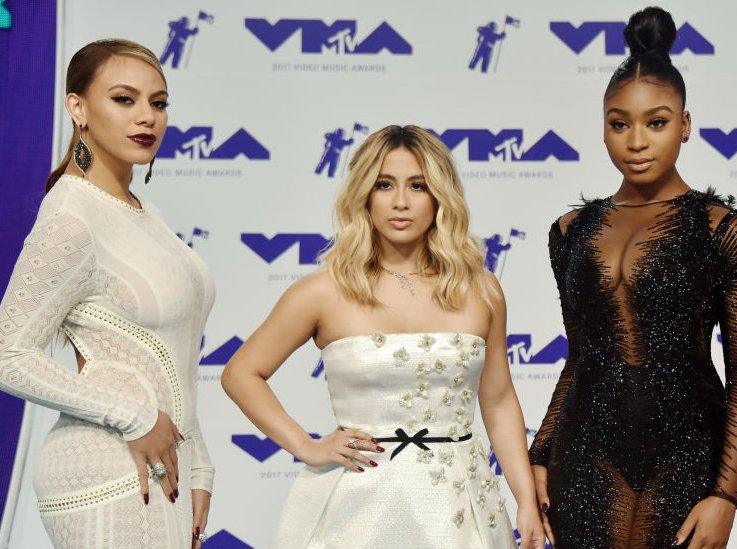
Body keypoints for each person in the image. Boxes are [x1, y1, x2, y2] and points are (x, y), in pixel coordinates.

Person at [221, 125, 546, 548]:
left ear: (440, 197)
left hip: (458, 509)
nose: (400, 202)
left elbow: (499, 400)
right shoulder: (323, 291)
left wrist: (524, 497)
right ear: (363, 195)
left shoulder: (480, 289)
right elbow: (241, 373)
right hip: (356, 507)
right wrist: (306, 445)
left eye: (418, 186)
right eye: (384, 185)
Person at [528, 6, 737, 548]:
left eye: (656, 122)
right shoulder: (570, 231)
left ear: (685, 126)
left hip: (688, 457)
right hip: (586, 455)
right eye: (619, 123)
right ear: (604, 126)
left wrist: (727, 497)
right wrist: (540, 455)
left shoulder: (724, 231)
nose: (636, 141)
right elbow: (579, 359)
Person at [0, 39, 214, 547]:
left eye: (158, 103)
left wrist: (198, 460)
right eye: (124, 99)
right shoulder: (72, 216)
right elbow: (7, 353)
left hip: (164, 467)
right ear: (78, 108)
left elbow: (176, 358)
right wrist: (133, 415)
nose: (147, 117)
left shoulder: (141, 212)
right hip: (106, 470)